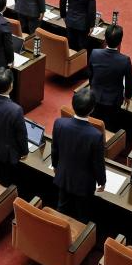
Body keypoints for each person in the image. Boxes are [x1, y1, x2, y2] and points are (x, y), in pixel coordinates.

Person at [51, 87, 105, 222]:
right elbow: (97, 163)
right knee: (82, 216)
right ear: (92, 109)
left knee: (61, 208)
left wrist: (55, 166)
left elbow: (55, 149)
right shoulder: (96, 136)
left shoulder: (59, 123)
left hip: (63, 176)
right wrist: (102, 181)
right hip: (83, 185)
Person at [87, 24, 132, 125]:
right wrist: (127, 97)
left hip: (95, 96)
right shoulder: (125, 60)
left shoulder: (94, 53)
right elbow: (129, 82)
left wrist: (92, 87)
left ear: (105, 40)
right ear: (120, 41)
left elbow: (90, 73)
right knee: (110, 125)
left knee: (95, 122)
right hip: (114, 101)